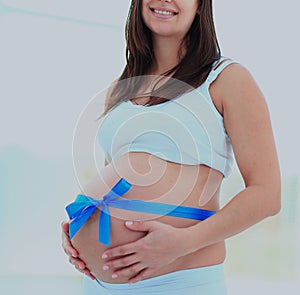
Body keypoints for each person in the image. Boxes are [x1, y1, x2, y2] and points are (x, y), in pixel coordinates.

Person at [61, 0, 281, 294]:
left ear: (201, 5)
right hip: (99, 285)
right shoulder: (120, 89)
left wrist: (181, 243)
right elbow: (115, 184)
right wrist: (77, 230)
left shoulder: (227, 79)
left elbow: (267, 196)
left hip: (180, 282)